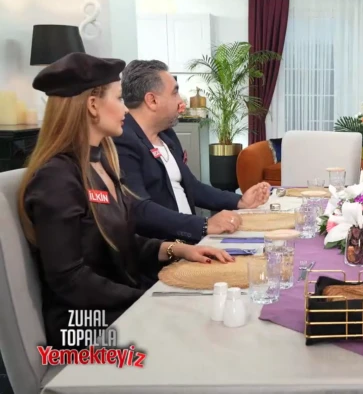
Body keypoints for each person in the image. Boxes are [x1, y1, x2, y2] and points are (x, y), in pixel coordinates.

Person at [19, 53, 235, 349]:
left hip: (120, 300)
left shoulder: (101, 164)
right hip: (86, 325)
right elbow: (70, 279)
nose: (125, 108)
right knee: (204, 332)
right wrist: (146, 299)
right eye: (119, 99)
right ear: (92, 105)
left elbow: (120, 241)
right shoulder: (56, 178)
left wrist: (178, 249)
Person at [113, 60, 271, 243]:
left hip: (193, 242)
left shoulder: (167, 135)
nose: (181, 101)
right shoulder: (123, 141)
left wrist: (240, 201)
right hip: (165, 249)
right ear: (152, 100)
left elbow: (192, 187)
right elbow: (139, 209)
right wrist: (203, 225)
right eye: (175, 93)